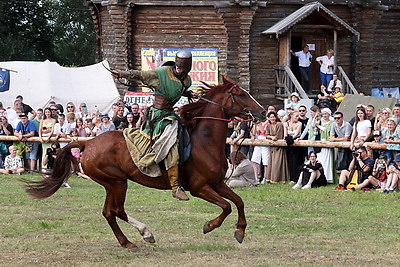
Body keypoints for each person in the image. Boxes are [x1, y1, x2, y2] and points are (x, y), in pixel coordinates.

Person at [111, 50, 194, 200]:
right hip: (158, 115)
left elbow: (177, 90)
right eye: (179, 66)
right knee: (172, 142)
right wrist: (121, 74)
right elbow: (140, 74)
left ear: (188, 67)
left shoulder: (187, 81)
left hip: (171, 114)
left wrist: (189, 94)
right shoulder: (162, 73)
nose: (180, 69)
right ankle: (175, 187)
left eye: (183, 68)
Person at [265, 111, 289, 183]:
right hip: (272, 146)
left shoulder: (279, 124)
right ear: (269, 118)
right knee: (272, 162)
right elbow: (267, 135)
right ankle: (270, 178)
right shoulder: (268, 126)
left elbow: (278, 136)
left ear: (276, 117)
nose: (272, 118)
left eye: (273, 117)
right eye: (270, 117)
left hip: (279, 146)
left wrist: (274, 138)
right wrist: (271, 137)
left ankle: (279, 178)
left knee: (278, 163)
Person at [315, 108, 334, 183]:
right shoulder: (320, 121)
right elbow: (313, 125)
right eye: (323, 114)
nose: (324, 115)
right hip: (320, 142)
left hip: (327, 142)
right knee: (320, 159)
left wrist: (318, 126)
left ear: (329, 114)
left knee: (327, 160)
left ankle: (328, 177)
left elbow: (326, 130)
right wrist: (315, 117)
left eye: (326, 114)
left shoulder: (331, 122)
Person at [284, 111, 303, 183]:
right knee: (289, 160)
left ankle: (296, 178)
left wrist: (291, 139)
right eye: (296, 116)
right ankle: (290, 176)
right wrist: (287, 139)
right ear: (291, 116)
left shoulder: (299, 123)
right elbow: (285, 134)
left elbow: (296, 134)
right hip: (289, 143)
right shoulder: (286, 124)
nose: (297, 117)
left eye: (298, 116)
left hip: (296, 143)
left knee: (296, 160)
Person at [250, 120, 269, 184]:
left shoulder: (268, 122)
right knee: (254, 160)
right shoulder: (258, 123)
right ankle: (256, 177)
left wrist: (259, 125)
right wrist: (255, 125)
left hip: (265, 140)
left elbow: (264, 132)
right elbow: (254, 133)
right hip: (258, 139)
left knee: (265, 161)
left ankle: (265, 178)